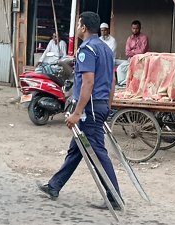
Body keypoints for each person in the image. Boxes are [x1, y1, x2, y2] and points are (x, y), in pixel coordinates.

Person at [37, 11, 121, 211]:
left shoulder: (87, 49)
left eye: (78, 24)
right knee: (77, 149)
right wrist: (108, 106)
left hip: (89, 108)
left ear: (83, 28)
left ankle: (114, 197)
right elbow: (112, 82)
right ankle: (54, 186)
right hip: (99, 105)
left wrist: (77, 112)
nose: (77, 27)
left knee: (98, 152)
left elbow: (88, 82)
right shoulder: (106, 49)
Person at [116, 20, 149, 86]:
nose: (135, 30)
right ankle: (122, 83)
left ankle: (128, 83)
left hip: (141, 59)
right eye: (133, 28)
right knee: (120, 68)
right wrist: (135, 52)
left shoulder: (144, 38)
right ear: (131, 28)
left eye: (137, 28)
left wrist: (132, 51)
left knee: (133, 69)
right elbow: (127, 52)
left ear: (139, 28)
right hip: (131, 59)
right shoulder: (129, 38)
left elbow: (142, 51)